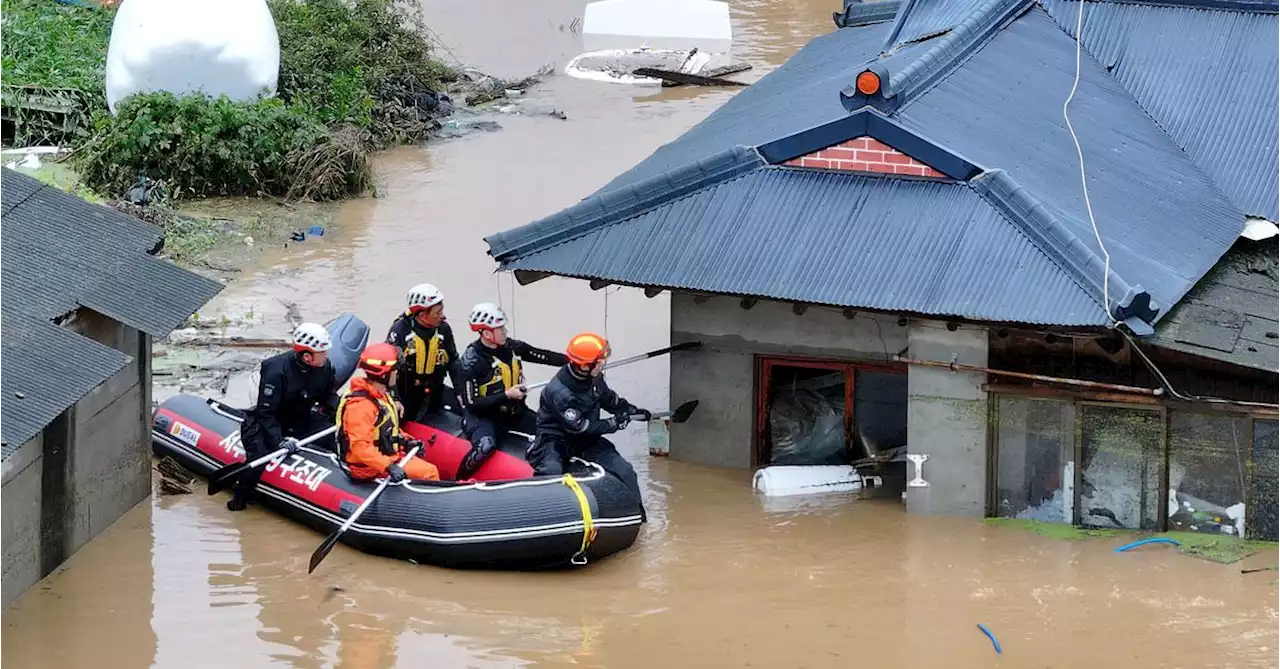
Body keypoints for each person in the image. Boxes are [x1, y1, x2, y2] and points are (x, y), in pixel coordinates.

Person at [528, 332, 650, 521]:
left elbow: (610, 400)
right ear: (584, 365)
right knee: (551, 473)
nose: (602, 364)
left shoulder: (594, 378)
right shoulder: (560, 392)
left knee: (625, 470)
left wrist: (631, 410)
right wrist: (613, 424)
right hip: (556, 439)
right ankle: (547, 517)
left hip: (586, 440)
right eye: (599, 362)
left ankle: (638, 518)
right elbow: (581, 427)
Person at [228, 322, 340, 511]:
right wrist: (279, 440)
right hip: (268, 421)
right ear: (307, 356)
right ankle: (239, 500)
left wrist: (339, 411)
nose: (326, 355)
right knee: (259, 458)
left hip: (299, 417)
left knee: (327, 434)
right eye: (322, 352)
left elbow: (328, 395)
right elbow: (266, 413)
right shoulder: (276, 370)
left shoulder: (325, 367)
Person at [455, 302, 569, 480]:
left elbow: (539, 354)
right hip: (484, 418)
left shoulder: (511, 347)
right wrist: (506, 395)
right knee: (485, 446)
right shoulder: (471, 362)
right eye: (500, 329)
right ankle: (458, 479)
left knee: (553, 429)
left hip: (515, 413)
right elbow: (472, 404)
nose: (505, 332)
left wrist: (571, 361)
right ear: (486, 333)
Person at [336, 342, 440, 482]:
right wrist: (388, 466)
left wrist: (406, 440)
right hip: (368, 469)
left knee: (425, 464)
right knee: (430, 472)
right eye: (394, 369)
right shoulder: (361, 406)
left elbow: (387, 428)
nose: (397, 373)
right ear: (383, 374)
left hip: (385, 457)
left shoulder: (379, 395)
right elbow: (360, 447)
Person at [385, 283, 463, 423]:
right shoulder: (400, 331)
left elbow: (453, 362)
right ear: (422, 315)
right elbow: (388, 369)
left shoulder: (443, 330)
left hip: (434, 390)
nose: (442, 316)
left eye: (442, 310)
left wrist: (460, 391)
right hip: (406, 394)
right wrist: (394, 398)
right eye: (437, 312)